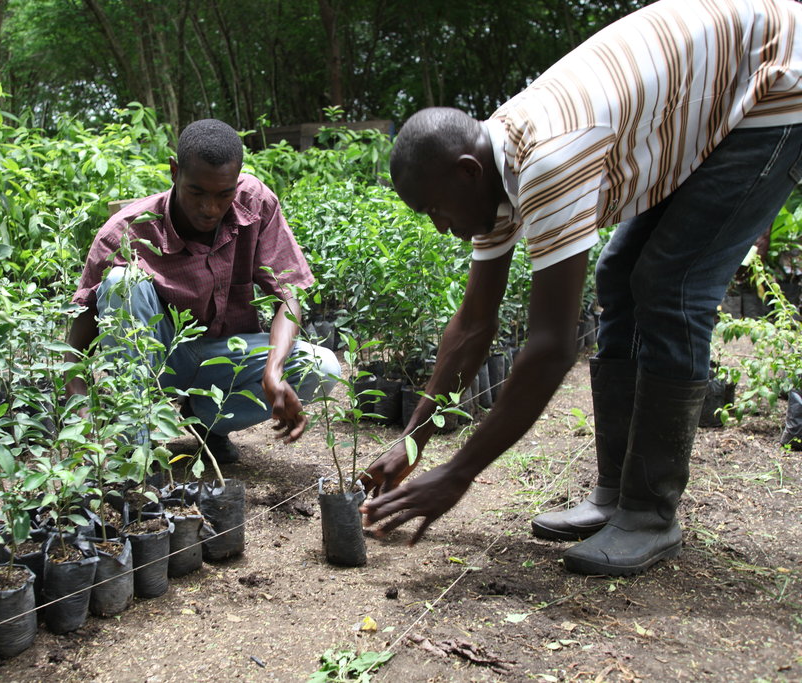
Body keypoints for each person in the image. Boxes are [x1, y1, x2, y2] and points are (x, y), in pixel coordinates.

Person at [360, 0, 802, 576]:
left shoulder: (547, 156)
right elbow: (474, 324)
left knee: (671, 284)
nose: (442, 227)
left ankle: (649, 513)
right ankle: (618, 496)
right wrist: (412, 443)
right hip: (710, 89)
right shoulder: (492, 170)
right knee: (619, 275)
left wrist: (458, 473)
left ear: (468, 171)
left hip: (775, 81)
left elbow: (552, 347)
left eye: (437, 209)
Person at [65, 118, 340, 462]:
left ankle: (208, 422)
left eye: (223, 195)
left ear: (237, 179)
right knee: (123, 282)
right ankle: (133, 448)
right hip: (158, 361)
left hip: (226, 356)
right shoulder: (126, 233)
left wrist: (273, 371)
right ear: (174, 172)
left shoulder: (256, 204)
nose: (210, 209)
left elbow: (288, 294)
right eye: (197, 192)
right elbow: (74, 346)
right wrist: (82, 414)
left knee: (323, 367)